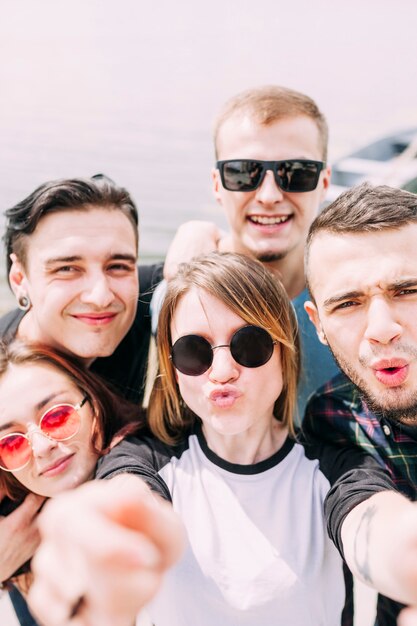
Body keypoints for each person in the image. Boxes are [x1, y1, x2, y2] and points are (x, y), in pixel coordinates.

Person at [28, 253, 404, 626]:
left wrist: (404, 552)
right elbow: (130, 499)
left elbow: (373, 528)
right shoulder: (145, 459)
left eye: (250, 345)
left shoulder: (336, 469)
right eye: (194, 352)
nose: (222, 371)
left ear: (284, 353)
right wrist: (105, 537)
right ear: (172, 370)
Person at [0, 174, 162, 623]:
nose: (100, 295)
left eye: (118, 266)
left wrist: (193, 238)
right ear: (20, 278)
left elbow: (192, 263)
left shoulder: (134, 306)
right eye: (66, 268)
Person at [156, 85, 338, 415]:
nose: (269, 195)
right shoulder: (177, 297)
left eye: (296, 173)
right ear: (217, 184)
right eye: (243, 173)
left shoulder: (351, 299)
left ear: (324, 183)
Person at [0, 340, 183, 625]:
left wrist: (122, 518)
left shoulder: (139, 451)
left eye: (57, 416)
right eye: (12, 443)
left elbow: (129, 481)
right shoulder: (14, 527)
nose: (41, 446)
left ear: (93, 405)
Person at [301, 182, 417, 625]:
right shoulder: (334, 417)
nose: (381, 327)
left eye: (407, 290)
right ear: (319, 325)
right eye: (348, 304)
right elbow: (361, 512)